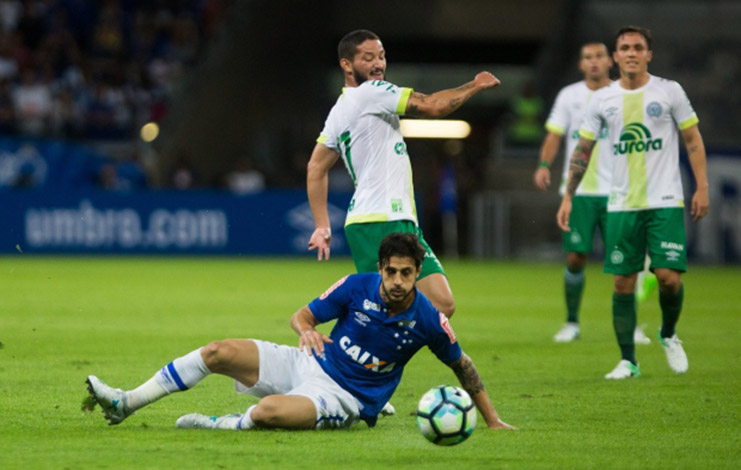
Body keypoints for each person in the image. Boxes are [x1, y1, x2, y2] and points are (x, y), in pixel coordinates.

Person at [85, 233, 514, 431]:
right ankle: (127, 402)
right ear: (379, 269)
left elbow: (464, 366)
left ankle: (222, 425)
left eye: (406, 273)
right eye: (391, 272)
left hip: (346, 397)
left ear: (418, 273)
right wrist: (307, 330)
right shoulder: (355, 285)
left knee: (269, 412)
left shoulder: (428, 320)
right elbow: (302, 316)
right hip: (308, 361)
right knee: (217, 351)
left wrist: (492, 420)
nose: (398, 281)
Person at [307, 29, 502, 319]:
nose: (378, 64)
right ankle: (338, 340)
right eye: (368, 58)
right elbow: (433, 105)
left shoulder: (340, 108)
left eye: (382, 56)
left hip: (385, 218)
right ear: (346, 65)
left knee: (439, 305)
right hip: (379, 219)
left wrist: (323, 225)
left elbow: (316, 166)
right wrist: (474, 85)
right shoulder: (372, 92)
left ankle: (362, 348)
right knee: (390, 306)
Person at [556, 26, 709, 379]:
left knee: (669, 278)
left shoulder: (669, 91)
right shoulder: (603, 100)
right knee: (623, 283)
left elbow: (692, 138)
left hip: (664, 201)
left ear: (648, 54)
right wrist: (568, 196)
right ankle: (628, 360)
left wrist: (702, 187)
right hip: (622, 205)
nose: (631, 53)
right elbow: (582, 150)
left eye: (638, 47)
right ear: (616, 56)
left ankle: (668, 333)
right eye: (624, 47)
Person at [534, 42, 651, 345]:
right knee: (575, 257)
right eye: (588, 57)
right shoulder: (569, 96)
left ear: (610, 60)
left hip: (618, 192)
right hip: (580, 192)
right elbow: (555, 134)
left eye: (599, 56)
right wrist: (545, 164)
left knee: (624, 264)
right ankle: (571, 322)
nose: (594, 62)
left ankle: (632, 326)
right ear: (581, 64)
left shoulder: (626, 96)